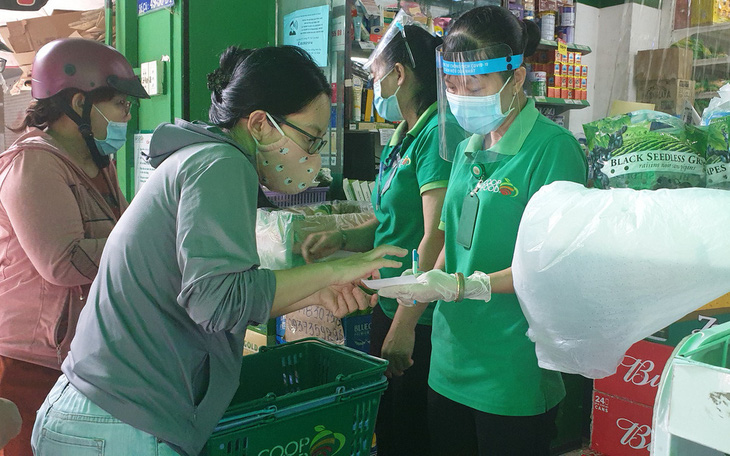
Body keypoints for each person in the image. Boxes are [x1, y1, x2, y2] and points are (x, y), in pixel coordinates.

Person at [31, 45, 406, 456]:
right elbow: (217, 301)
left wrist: (313, 293)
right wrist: (337, 270)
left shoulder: (205, 157)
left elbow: (211, 297)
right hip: (117, 422)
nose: (314, 158)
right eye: (311, 139)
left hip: (105, 414)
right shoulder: (221, 165)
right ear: (261, 124)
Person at [378, 6, 588, 456]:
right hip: (449, 362)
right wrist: (415, 301)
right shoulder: (468, 146)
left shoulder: (553, 151)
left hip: (512, 369)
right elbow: (449, 244)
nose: (462, 99)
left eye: (475, 86)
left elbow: (550, 266)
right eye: (452, 87)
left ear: (516, 77)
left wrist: (465, 286)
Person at [301, 20, 453, 456]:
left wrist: (405, 324)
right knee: (387, 426)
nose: (374, 85)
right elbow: (389, 220)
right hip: (389, 302)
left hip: (419, 316)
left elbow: (435, 238)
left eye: (376, 75)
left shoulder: (436, 137)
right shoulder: (401, 139)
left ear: (400, 75)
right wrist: (341, 237)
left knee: (409, 433)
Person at [0, 38, 149, 456]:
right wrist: (152, 237)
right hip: (30, 362)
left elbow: (118, 236)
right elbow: (64, 262)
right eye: (120, 104)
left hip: (81, 354)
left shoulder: (99, 162)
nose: (127, 115)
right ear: (81, 103)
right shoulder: (33, 163)